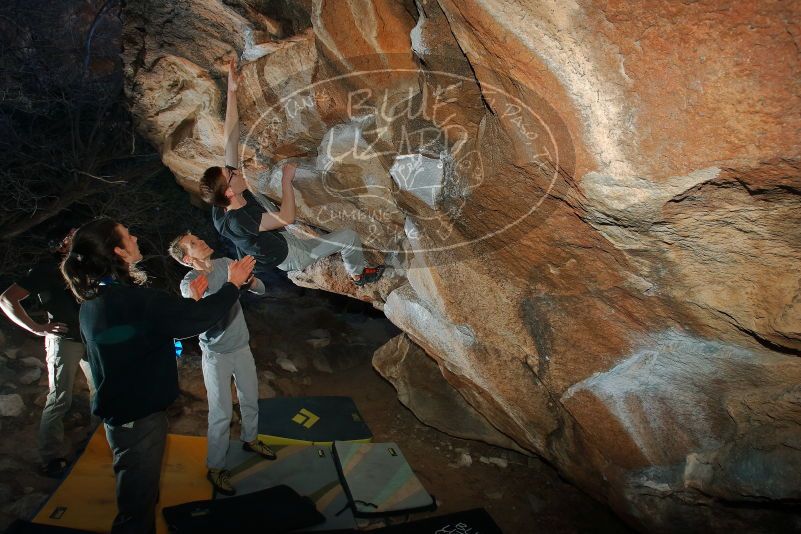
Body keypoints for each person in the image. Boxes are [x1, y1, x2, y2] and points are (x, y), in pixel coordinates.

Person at [61, 218, 255, 534]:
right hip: (137, 420)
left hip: (124, 415)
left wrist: (191, 304)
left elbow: (153, 330)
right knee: (136, 511)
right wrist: (233, 284)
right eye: (128, 235)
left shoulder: (99, 299)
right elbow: (196, 319)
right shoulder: (135, 300)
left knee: (141, 496)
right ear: (118, 251)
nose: (136, 237)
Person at [198, 57, 384, 286]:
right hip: (292, 255)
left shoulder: (221, 204)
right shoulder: (239, 221)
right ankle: (358, 275)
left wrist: (232, 91)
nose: (235, 171)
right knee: (349, 237)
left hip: (275, 238)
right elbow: (287, 217)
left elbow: (230, 139)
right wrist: (286, 181)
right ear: (228, 193)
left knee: (260, 199)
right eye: (231, 175)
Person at [168, 231, 275, 495]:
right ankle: (215, 467)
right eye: (193, 243)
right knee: (221, 413)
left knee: (250, 399)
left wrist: (249, 281)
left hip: (242, 347)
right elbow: (193, 315)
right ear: (187, 259)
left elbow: (262, 289)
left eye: (198, 238)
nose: (201, 242)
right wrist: (200, 297)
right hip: (216, 355)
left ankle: (251, 439)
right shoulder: (190, 282)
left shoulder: (227, 263)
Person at [0, 229, 95, 478]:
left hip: (91, 339)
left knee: (100, 392)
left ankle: (97, 444)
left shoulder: (88, 266)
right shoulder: (46, 270)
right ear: (60, 244)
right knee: (60, 398)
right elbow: (7, 298)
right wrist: (36, 327)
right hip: (64, 341)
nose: (78, 237)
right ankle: (51, 457)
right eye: (71, 235)